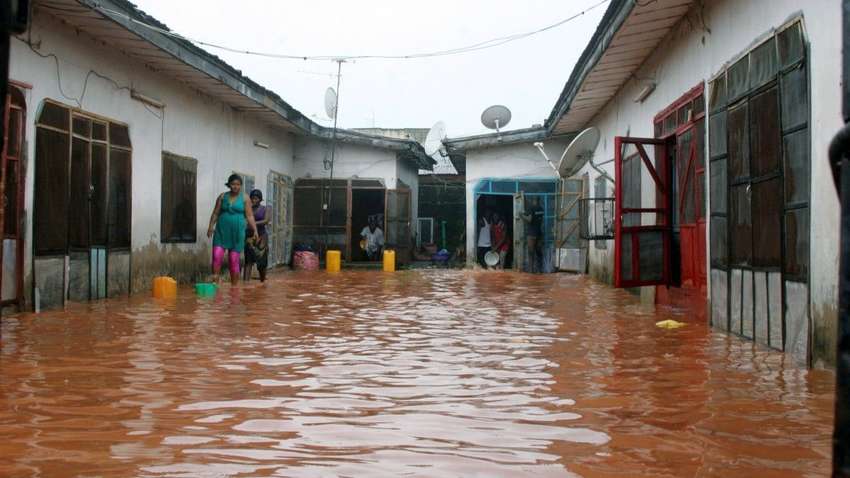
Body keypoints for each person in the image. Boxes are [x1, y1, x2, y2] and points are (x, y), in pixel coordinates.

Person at [207, 174, 258, 285]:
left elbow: (249, 216)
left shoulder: (245, 198)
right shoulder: (222, 197)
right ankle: (215, 285)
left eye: (238, 184)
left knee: (233, 260)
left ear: (241, 186)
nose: (235, 186)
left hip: (237, 232)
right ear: (229, 185)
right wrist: (210, 226)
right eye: (233, 184)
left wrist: (255, 230)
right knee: (216, 256)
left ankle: (234, 288)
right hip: (221, 231)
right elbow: (215, 213)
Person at [244, 189, 271, 282]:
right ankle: (245, 284)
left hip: (262, 236)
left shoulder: (266, 208)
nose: (254, 200)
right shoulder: (247, 209)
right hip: (249, 237)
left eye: (256, 198)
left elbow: (266, 220)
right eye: (252, 198)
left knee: (261, 263)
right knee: (248, 262)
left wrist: (252, 223)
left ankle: (262, 283)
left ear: (260, 199)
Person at [522, 197, 544, 273]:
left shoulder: (531, 208)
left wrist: (522, 215)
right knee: (539, 252)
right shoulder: (541, 209)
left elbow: (529, 219)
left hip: (531, 234)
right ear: (539, 200)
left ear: (533, 200)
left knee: (531, 253)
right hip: (539, 233)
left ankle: (531, 271)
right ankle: (540, 270)